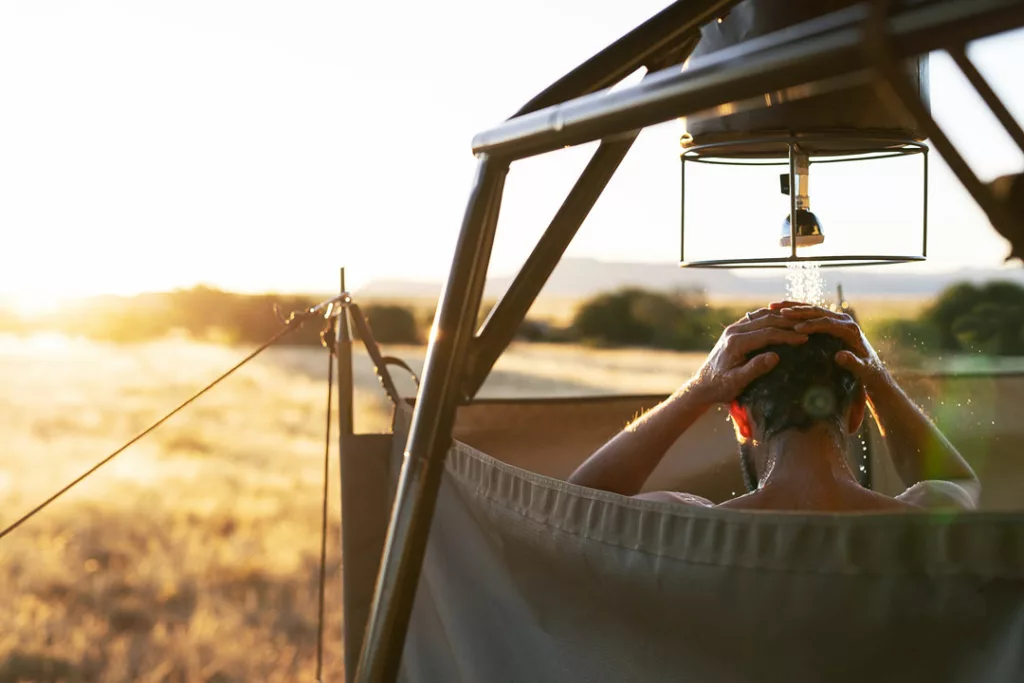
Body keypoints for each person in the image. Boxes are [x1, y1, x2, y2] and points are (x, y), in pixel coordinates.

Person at [568, 302, 980, 511]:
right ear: (858, 411)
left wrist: (697, 390)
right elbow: (960, 481)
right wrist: (878, 380)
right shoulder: (926, 529)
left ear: (741, 419)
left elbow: (572, 506)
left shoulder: (686, 528)